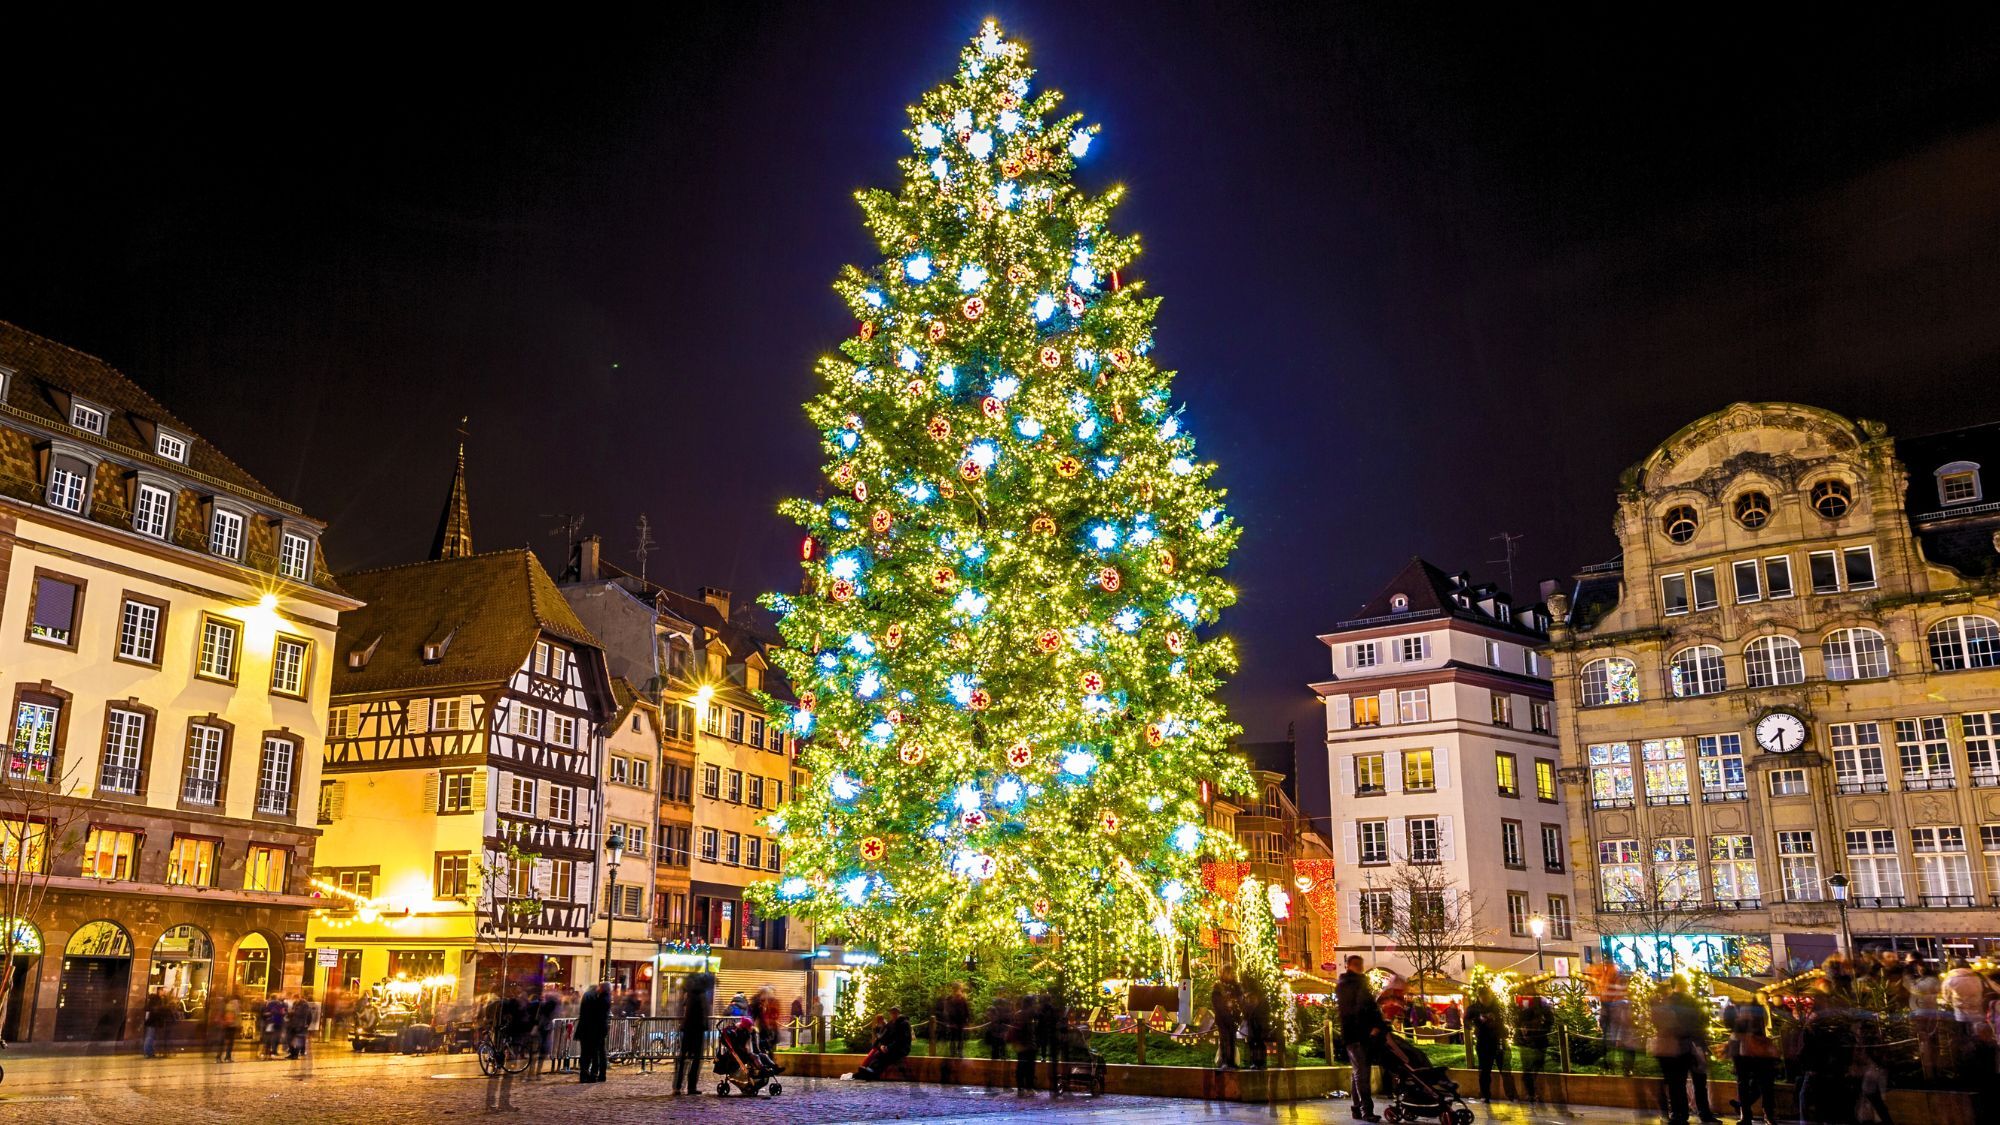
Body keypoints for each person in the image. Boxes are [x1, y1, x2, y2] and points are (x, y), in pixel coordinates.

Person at [1335, 955, 1386, 1122]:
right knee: (1362, 1073)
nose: (1360, 967)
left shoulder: (1355, 983)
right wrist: (1374, 1025)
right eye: (1356, 964)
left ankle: (1357, 1108)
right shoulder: (1350, 984)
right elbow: (1361, 1009)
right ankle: (1365, 1110)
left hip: (1357, 1034)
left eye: (1361, 964)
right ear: (1349, 965)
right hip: (1358, 1035)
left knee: (1358, 1072)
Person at [1725, 992, 1777, 1125]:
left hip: (1756, 1047)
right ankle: (1747, 1114)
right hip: (1741, 1048)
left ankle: (1767, 1114)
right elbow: (1729, 1024)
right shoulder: (1733, 1006)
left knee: (1764, 1083)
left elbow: (1762, 1027)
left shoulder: (1757, 1008)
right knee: (1744, 1082)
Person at [674, 962, 717, 1096]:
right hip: (697, 1027)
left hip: (688, 1027)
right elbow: (711, 980)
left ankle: (678, 1086)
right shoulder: (699, 994)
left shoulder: (689, 991)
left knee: (684, 1058)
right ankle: (690, 1086)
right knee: (696, 1059)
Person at [1468, 984, 1514, 1102]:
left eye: (1487, 997)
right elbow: (1467, 1022)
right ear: (1478, 997)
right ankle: (1485, 1095)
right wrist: (1479, 1020)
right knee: (1484, 1071)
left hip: (1499, 1041)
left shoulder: (1499, 1007)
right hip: (1484, 1043)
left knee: (1505, 1069)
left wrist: (1496, 1020)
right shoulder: (1474, 1008)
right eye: (1482, 997)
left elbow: (1508, 1019)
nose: (1485, 1000)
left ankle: (1511, 1095)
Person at [1515, 991, 1553, 1106]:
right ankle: (1531, 1093)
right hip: (1530, 1043)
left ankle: (1532, 1093)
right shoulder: (1527, 1008)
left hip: (1535, 1042)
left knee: (1534, 1067)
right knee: (1530, 1069)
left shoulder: (1538, 1008)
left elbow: (1549, 1021)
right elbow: (1518, 1023)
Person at [855, 1006, 913, 1079]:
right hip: (891, 1047)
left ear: (899, 1013)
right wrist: (882, 1045)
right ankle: (869, 1070)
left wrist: (888, 1047)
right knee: (878, 1054)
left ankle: (873, 1072)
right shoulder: (891, 1023)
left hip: (901, 1048)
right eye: (892, 1013)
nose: (893, 1014)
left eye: (895, 1013)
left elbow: (901, 1040)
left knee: (884, 1055)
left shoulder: (904, 1024)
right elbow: (885, 1036)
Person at [575, 982, 610, 1083]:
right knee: (595, 1053)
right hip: (594, 1030)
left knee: (588, 1053)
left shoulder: (595, 998)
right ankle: (593, 1074)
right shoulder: (598, 998)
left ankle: (587, 1074)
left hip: (589, 1029)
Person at [1211, 966, 1243, 1070]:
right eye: (1228, 973)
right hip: (1223, 1019)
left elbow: (1240, 1000)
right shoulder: (1218, 987)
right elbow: (1217, 1003)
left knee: (1233, 1040)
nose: (1231, 975)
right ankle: (1224, 1061)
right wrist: (1225, 1012)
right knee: (1224, 1039)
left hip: (1233, 1018)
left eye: (1232, 973)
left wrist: (1237, 1013)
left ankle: (1231, 1062)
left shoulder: (1236, 987)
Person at [1010, 993, 1040, 1093]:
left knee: (1021, 1066)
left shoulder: (1018, 1014)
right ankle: (1029, 1087)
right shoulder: (1030, 1013)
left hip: (1020, 1045)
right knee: (1029, 1067)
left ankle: (1020, 1087)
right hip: (1029, 1044)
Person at [1242, 978, 1270, 1070]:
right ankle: (1257, 1062)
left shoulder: (1260, 999)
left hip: (1258, 1023)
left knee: (1258, 1043)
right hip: (1255, 1023)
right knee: (1255, 1043)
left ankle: (1259, 1062)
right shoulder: (1255, 998)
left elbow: (1262, 1011)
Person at [142, 987, 173, 1058]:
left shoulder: (163, 999)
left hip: (157, 1021)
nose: (165, 992)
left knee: (152, 1037)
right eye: (163, 990)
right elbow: (148, 1008)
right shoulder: (155, 998)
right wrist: (159, 1008)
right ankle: (148, 1053)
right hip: (153, 1021)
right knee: (150, 1036)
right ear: (159, 991)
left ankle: (150, 1052)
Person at [984, 993, 1015, 1061]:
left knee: (1001, 1045)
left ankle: (1002, 1056)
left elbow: (1008, 1015)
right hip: (996, 1029)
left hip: (1001, 1028)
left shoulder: (1004, 1005)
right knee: (996, 1046)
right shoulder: (995, 1004)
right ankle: (997, 1058)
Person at [286, 990, 312, 1059]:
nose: (293, 1000)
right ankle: (292, 1053)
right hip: (292, 1024)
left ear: (298, 998)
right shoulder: (295, 1004)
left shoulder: (304, 1005)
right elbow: (293, 1013)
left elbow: (304, 1014)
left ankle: (295, 1055)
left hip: (300, 1025)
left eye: (294, 999)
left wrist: (307, 1024)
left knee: (298, 1041)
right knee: (289, 1039)